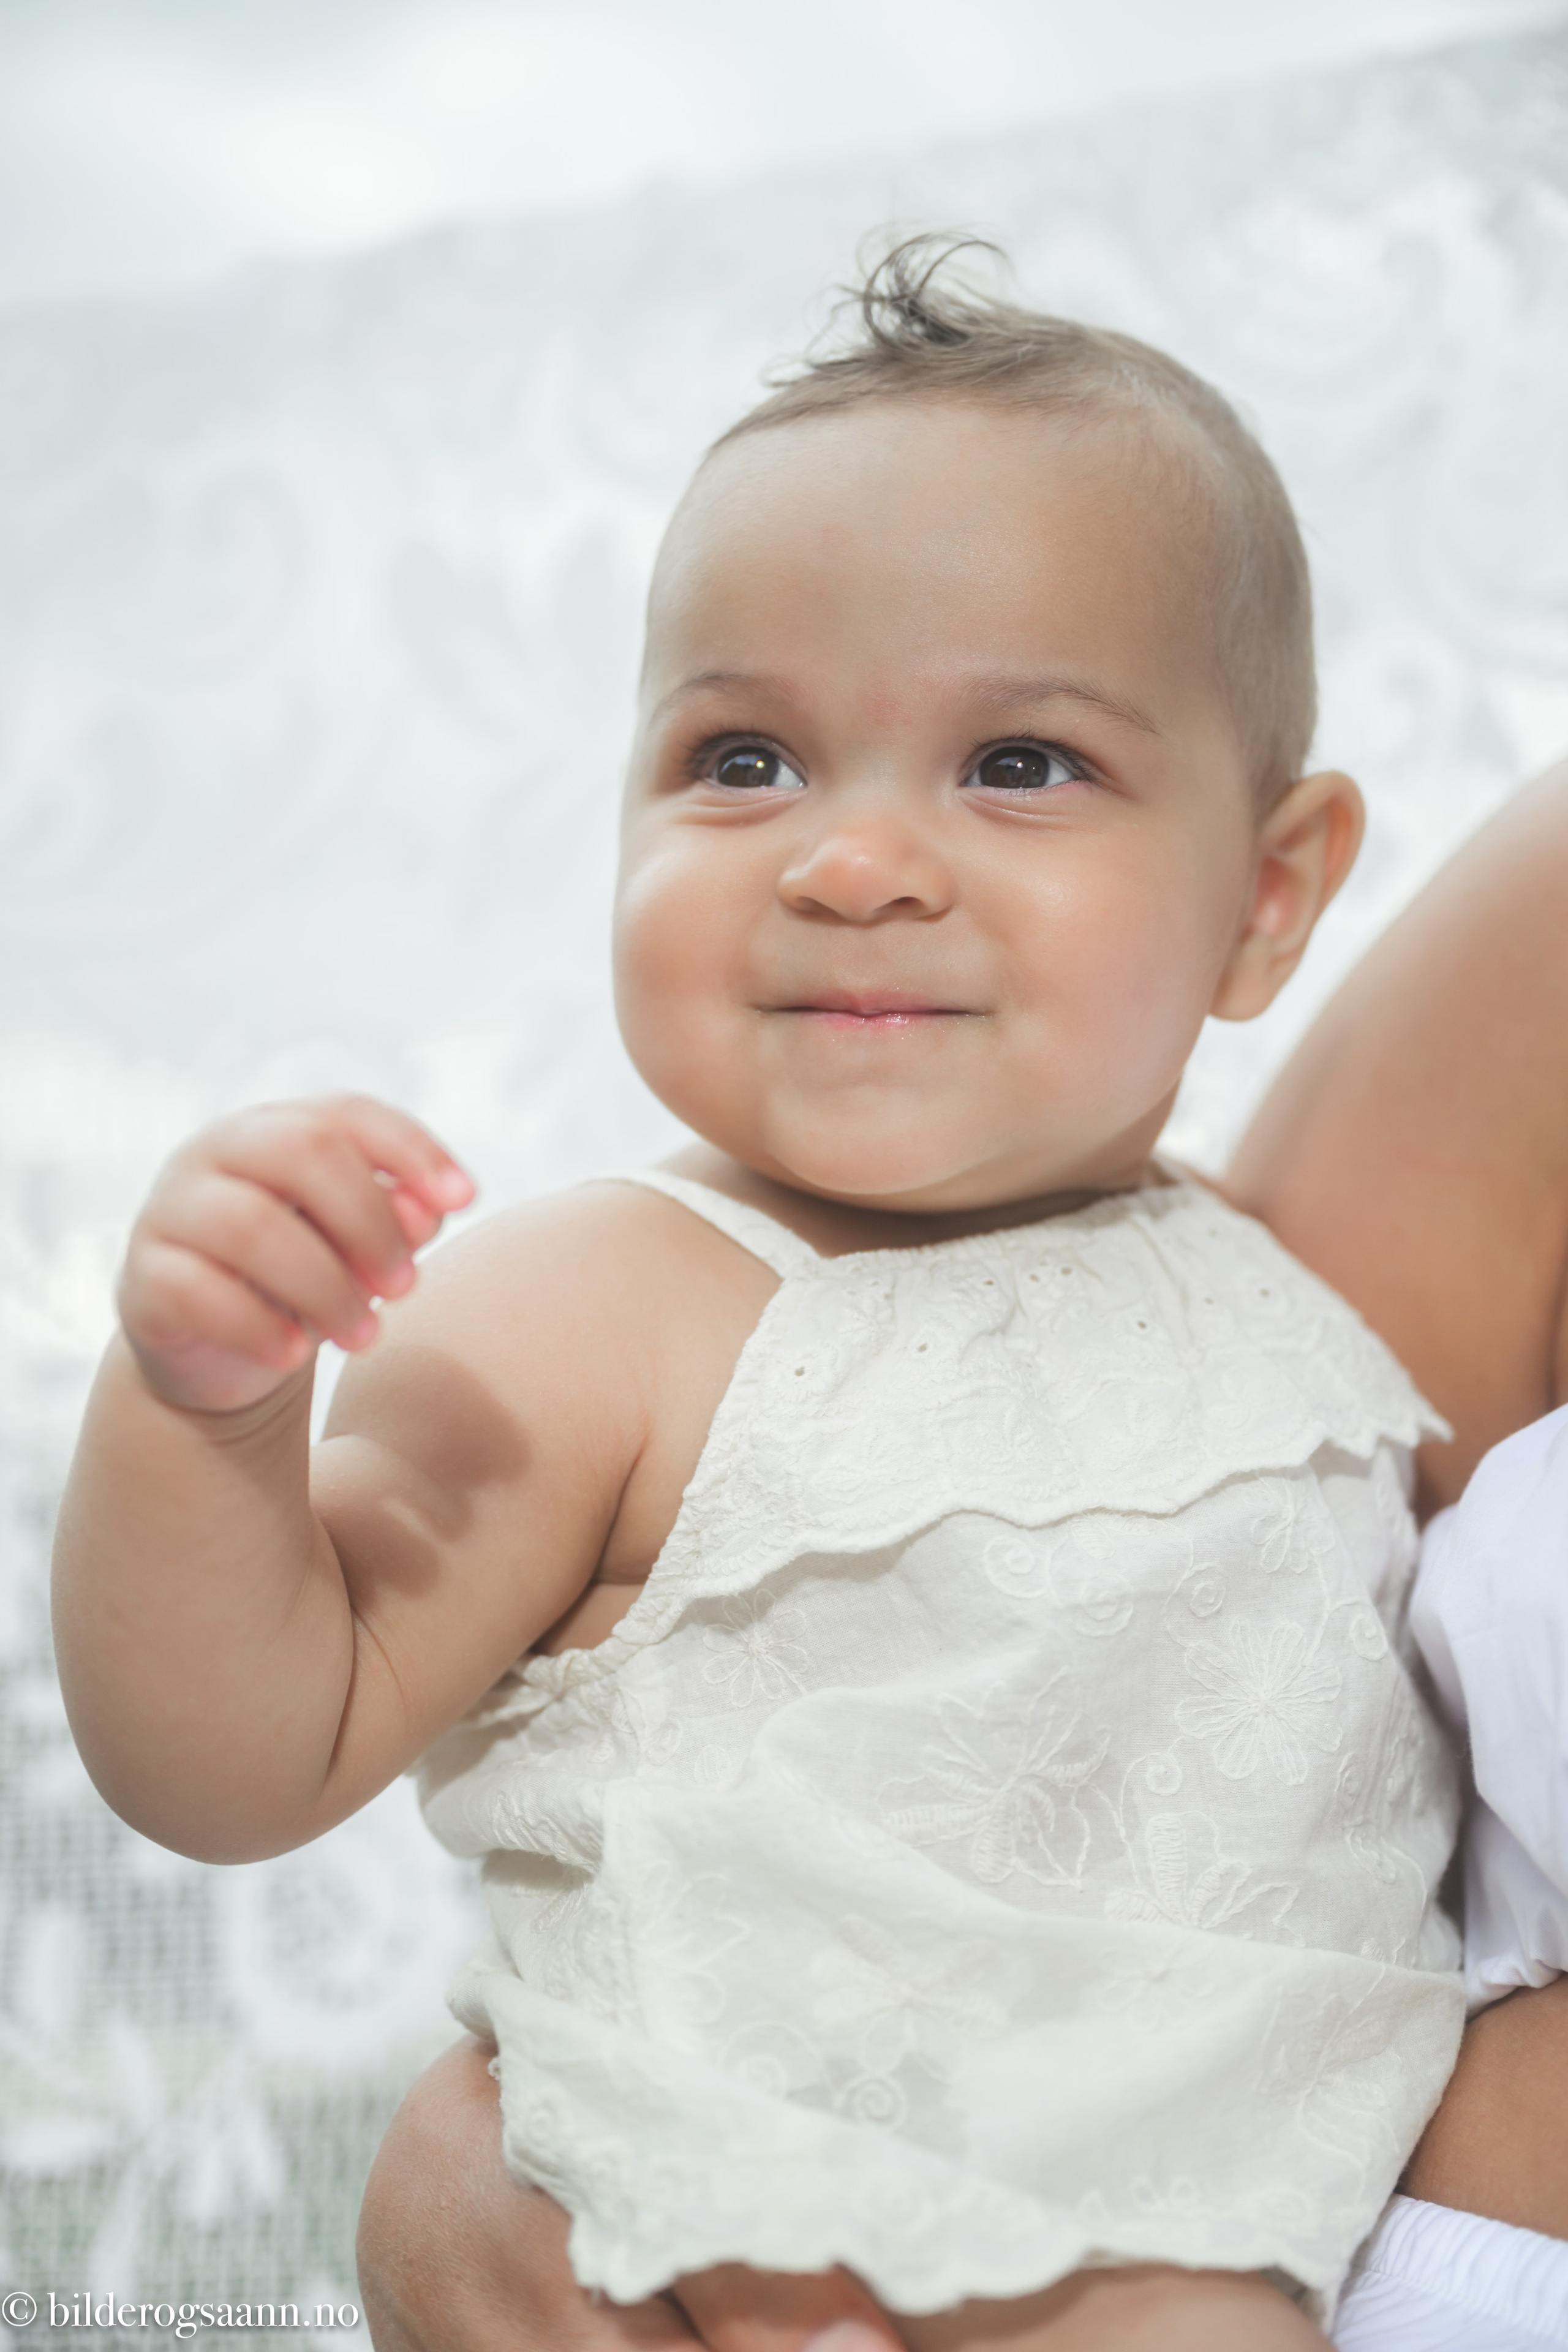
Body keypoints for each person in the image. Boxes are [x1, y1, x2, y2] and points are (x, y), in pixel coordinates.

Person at [51, 238, 1523, 2348]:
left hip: (1197, 2256)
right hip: (708, 2211)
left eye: (1019, 764)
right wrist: (201, 1415)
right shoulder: (603, 1302)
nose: (850, 861)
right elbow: (235, 1756)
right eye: (745, 759)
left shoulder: (1279, 1306)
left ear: (1265, 899)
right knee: (473, 2201)